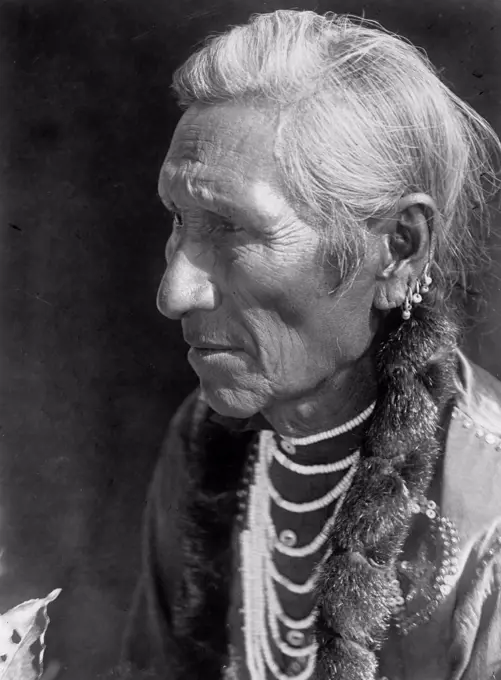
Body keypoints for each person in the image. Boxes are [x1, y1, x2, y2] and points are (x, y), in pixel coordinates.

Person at [122, 10, 501, 680]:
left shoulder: (489, 513)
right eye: (178, 221)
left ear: (399, 248)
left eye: (231, 229)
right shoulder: (204, 440)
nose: (174, 292)